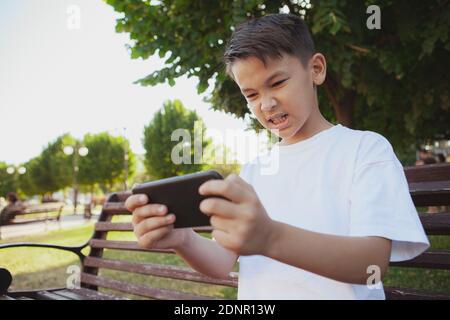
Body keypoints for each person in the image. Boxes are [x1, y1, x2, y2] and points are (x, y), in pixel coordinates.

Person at [125, 14, 429, 300]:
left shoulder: (365, 150)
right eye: (252, 95)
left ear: (316, 69)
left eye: (278, 83)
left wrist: (270, 237)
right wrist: (183, 240)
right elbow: (222, 261)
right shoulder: (255, 170)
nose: (267, 104)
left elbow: (371, 265)